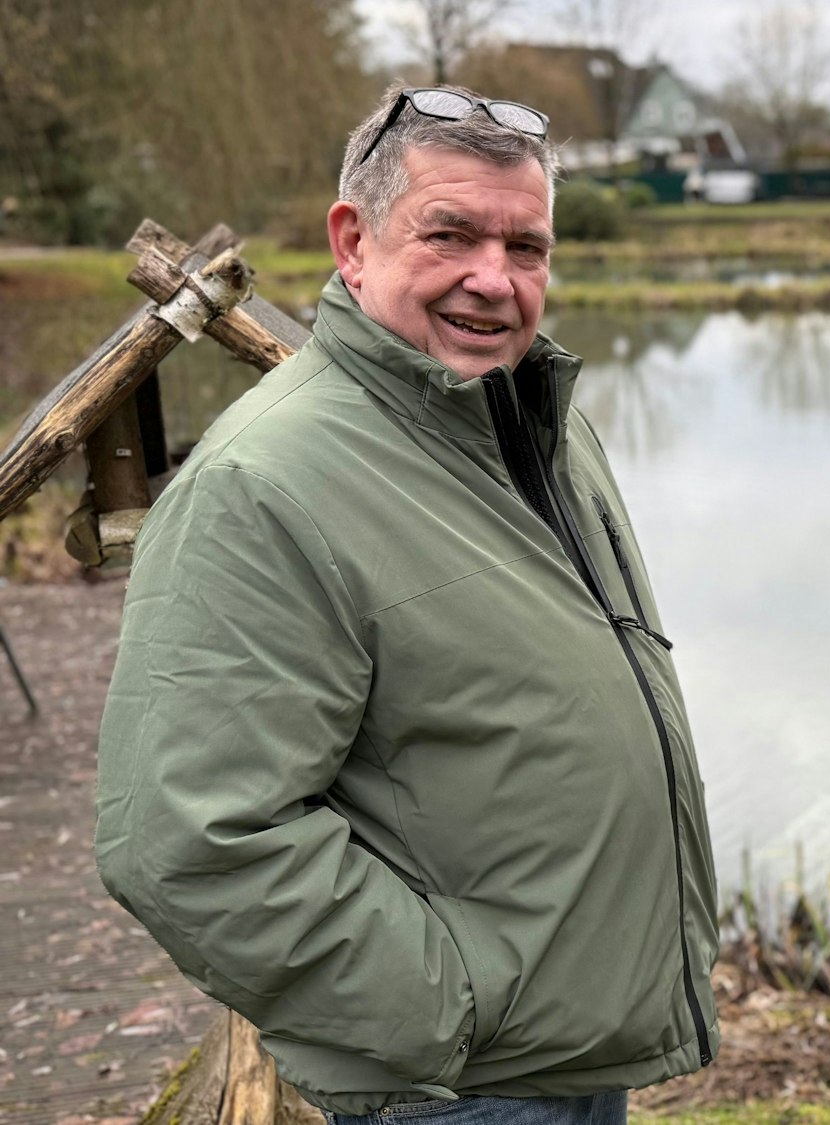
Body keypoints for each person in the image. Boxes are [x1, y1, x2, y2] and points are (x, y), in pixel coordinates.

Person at [94, 85, 720, 1125]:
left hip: (572, 1047)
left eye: (526, 247)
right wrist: (452, 1008)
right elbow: (189, 840)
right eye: (451, 233)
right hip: (461, 1085)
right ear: (353, 240)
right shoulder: (263, 486)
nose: (495, 279)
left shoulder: (539, 423)